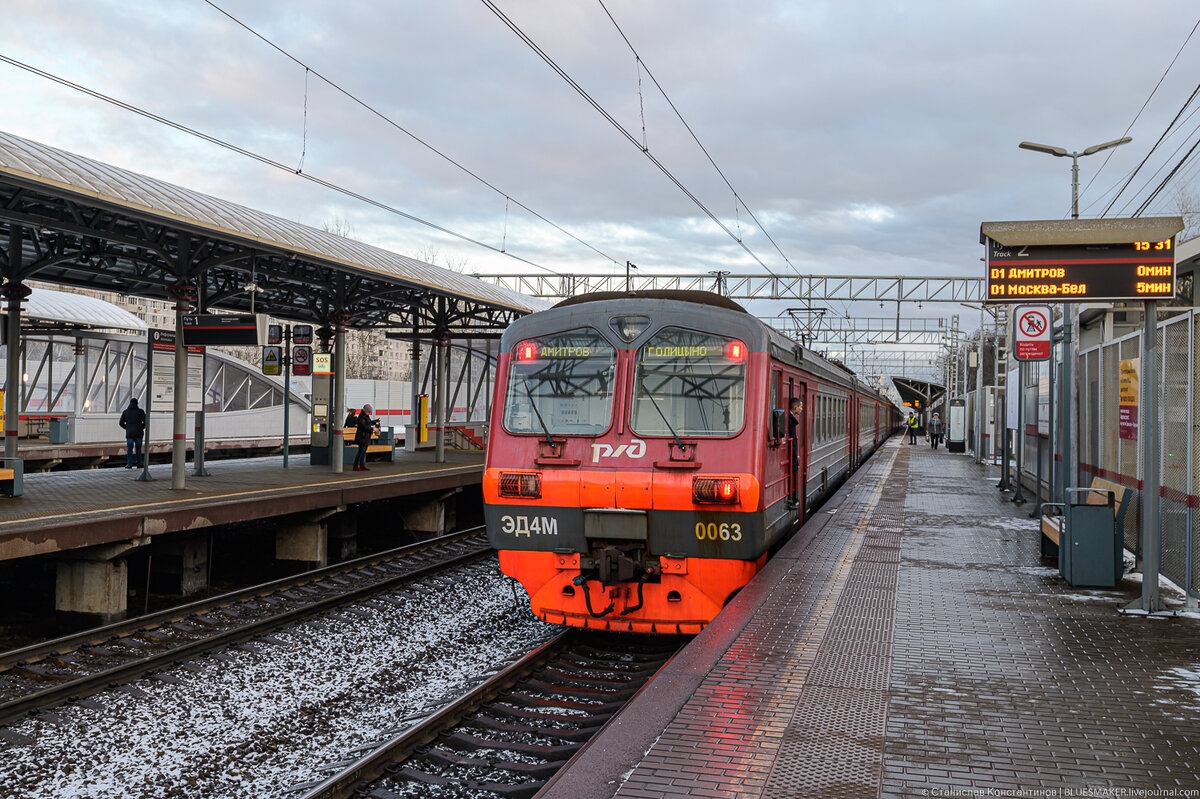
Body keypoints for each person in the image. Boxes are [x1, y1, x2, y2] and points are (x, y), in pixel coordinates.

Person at [119, 397, 146, 469]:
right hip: (139, 433)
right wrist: (141, 427)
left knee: (129, 449)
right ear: (137, 404)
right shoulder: (141, 412)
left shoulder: (125, 412)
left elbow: (121, 423)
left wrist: (127, 428)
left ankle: (129, 464)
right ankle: (139, 463)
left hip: (129, 434)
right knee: (138, 449)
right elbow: (146, 422)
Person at [787, 397, 803, 509]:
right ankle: (791, 498)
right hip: (790, 456)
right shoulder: (790, 420)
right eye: (801, 406)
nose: (802, 409)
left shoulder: (790, 419)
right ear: (795, 407)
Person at [352, 404, 377, 471]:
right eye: (368, 412)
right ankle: (355, 465)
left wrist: (373, 422)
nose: (369, 413)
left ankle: (362, 465)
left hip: (365, 437)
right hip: (362, 437)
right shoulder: (361, 417)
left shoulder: (365, 416)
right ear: (365, 410)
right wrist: (373, 429)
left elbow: (367, 423)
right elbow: (365, 427)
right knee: (361, 452)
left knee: (363, 452)